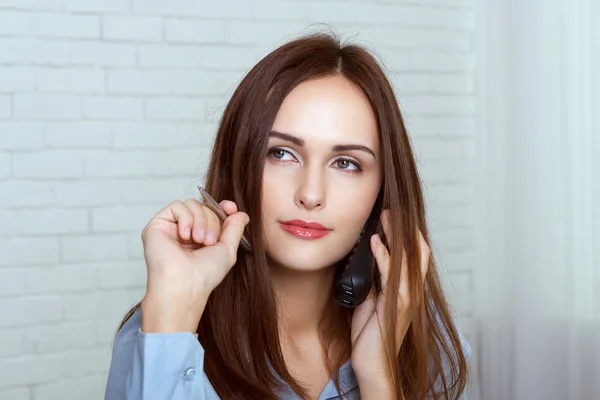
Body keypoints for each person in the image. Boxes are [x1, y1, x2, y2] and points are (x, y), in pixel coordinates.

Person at [104, 32, 471, 400]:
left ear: (381, 192)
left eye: (346, 163)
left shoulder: (428, 342)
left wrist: (379, 375)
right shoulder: (157, 334)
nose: (310, 195)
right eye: (281, 154)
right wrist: (171, 315)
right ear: (240, 164)